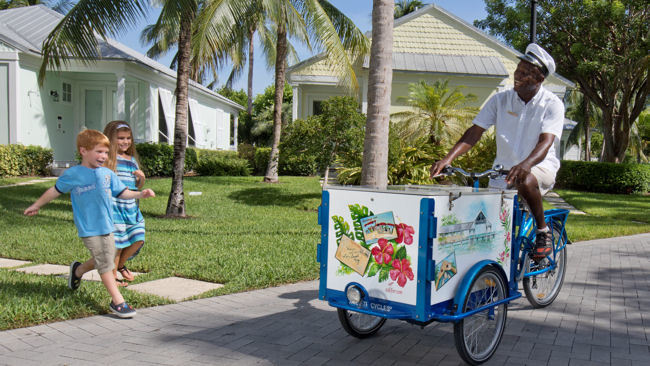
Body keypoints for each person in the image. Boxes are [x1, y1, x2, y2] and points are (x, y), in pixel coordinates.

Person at [430, 43, 565, 260]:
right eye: (517, 70)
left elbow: (545, 143)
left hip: (539, 167)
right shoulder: (500, 99)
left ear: (539, 79)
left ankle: (543, 232)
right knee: (490, 227)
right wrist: (448, 159)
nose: (517, 76)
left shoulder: (552, 104)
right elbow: (474, 133)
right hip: (502, 171)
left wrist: (525, 164)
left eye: (525, 73)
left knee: (525, 179)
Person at [24, 129, 155, 318]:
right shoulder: (74, 174)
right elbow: (55, 190)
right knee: (105, 262)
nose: (103, 156)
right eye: (98, 152)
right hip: (88, 228)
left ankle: (78, 270)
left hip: (108, 226)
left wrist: (140, 194)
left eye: (105, 152)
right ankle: (118, 301)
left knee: (107, 259)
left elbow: (122, 192)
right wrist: (36, 205)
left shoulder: (107, 174)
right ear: (83, 151)